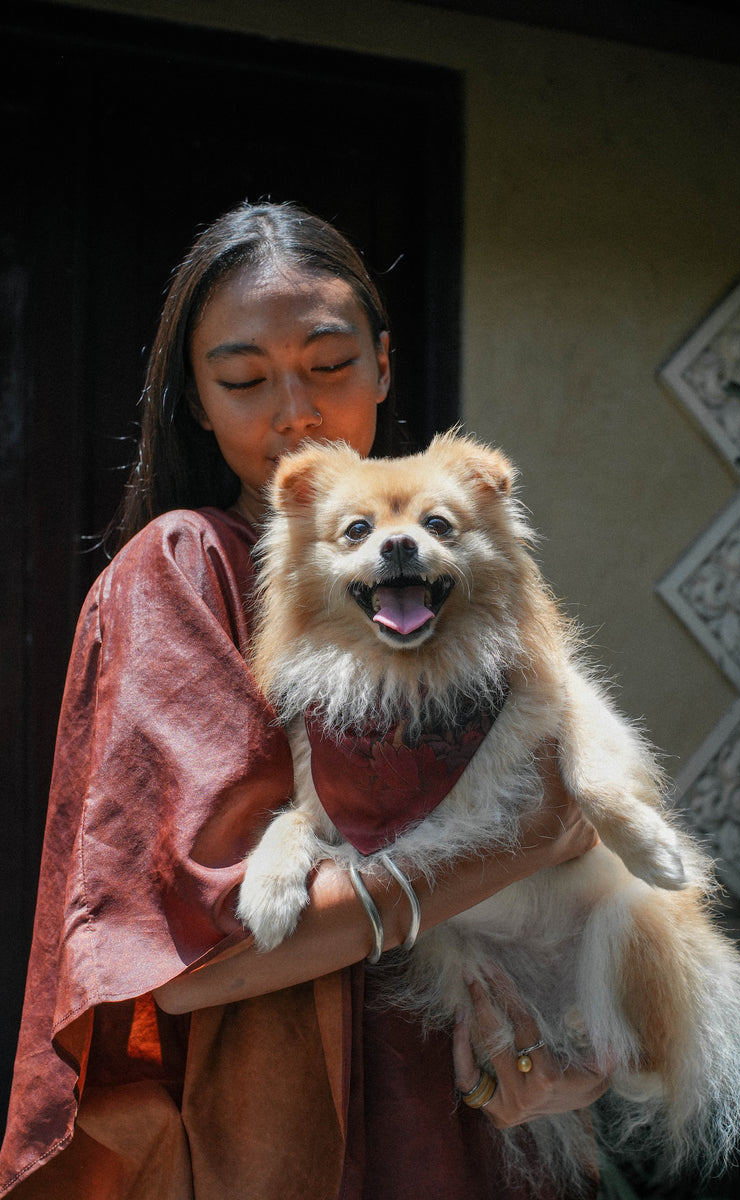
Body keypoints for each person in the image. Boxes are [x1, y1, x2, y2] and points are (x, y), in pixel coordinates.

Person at [0, 202, 607, 1200]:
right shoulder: (185, 564)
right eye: (243, 380)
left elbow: (579, 871)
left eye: (329, 365)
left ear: (383, 365)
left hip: (471, 1110)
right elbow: (192, 953)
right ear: (196, 400)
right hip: (276, 1122)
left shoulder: (447, 574)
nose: (295, 412)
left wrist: (573, 1052)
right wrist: (514, 845)